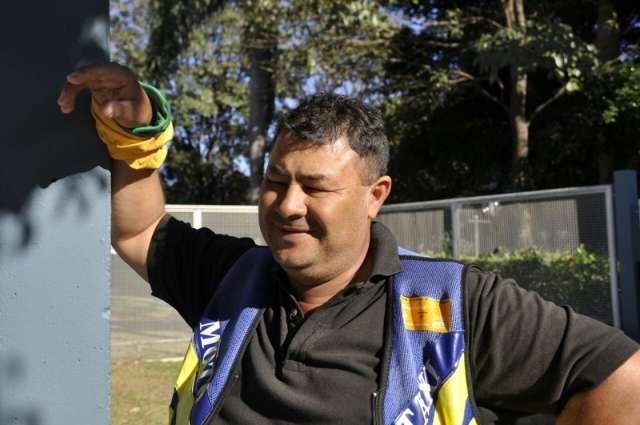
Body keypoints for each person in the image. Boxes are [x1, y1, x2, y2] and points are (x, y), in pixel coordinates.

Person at [58, 63, 640, 425]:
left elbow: (625, 377)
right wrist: (134, 130)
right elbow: (139, 229)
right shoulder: (232, 276)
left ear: (374, 195)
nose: (287, 205)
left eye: (315, 187)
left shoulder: (456, 304)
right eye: (275, 182)